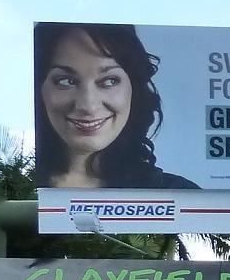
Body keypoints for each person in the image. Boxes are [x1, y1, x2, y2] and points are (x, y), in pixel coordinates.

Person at [33, 22, 199, 189]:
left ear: (134, 89)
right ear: (38, 89)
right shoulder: (15, 186)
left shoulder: (183, 196)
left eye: (109, 81)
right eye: (66, 81)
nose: (88, 105)